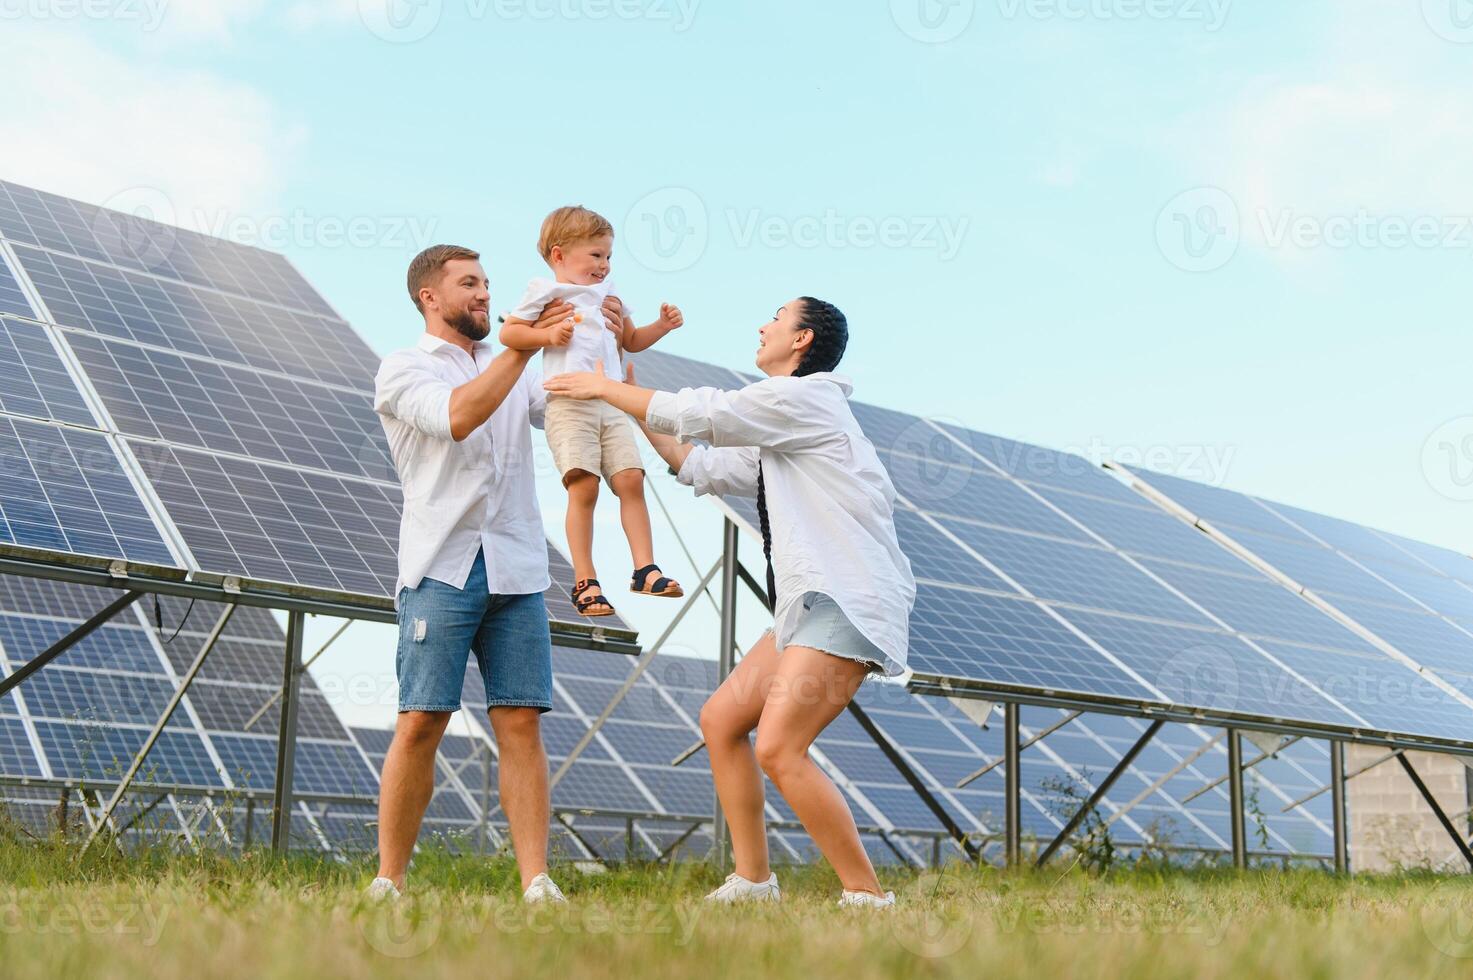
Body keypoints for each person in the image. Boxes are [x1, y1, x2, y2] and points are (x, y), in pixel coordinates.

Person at [543, 296, 917, 908]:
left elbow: (704, 413)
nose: (762, 324)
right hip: (808, 605)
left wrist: (606, 386)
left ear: (802, 340)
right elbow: (698, 463)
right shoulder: (781, 428)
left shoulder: (807, 399)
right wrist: (639, 413)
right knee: (722, 721)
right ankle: (753, 880)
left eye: (775, 316)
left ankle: (866, 897)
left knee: (778, 745)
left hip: (847, 599)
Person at [367, 244, 613, 904]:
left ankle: (537, 881)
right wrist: (523, 345)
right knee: (421, 722)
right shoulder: (404, 369)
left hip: (518, 569)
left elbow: (573, 393)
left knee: (522, 723)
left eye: (486, 284)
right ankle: (388, 881)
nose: (483, 294)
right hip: (441, 568)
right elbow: (458, 416)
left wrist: (607, 333)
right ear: (430, 297)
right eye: (469, 284)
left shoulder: (513, 365)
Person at [500, 205, 684, 619]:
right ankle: (586, 578)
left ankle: (644, 568)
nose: (604, 265)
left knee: (631, 480)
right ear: (560, 256)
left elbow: (631, 341)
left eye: (607, 256)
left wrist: (661, 326)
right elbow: (509, 332)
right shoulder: (545, 292)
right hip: (569, 401)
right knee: (584, 486)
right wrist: (548, 333)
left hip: (612, 399)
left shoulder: (611, 294)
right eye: (595, 255)